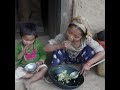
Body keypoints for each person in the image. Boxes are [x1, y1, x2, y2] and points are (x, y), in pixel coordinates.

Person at [15, 22, 48, 88]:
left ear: (35, 38)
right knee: (17, 72)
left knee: (45, 68)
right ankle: (37, 76)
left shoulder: (38, 44)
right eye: (25, 39)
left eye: (31, 40)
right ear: (21, 37)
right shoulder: (18, 46)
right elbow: (16, 58)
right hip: (23, 67)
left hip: (36, 65)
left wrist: (40, 61)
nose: (28, 42)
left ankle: (28, 81)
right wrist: (22, 52)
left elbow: (43, 54)